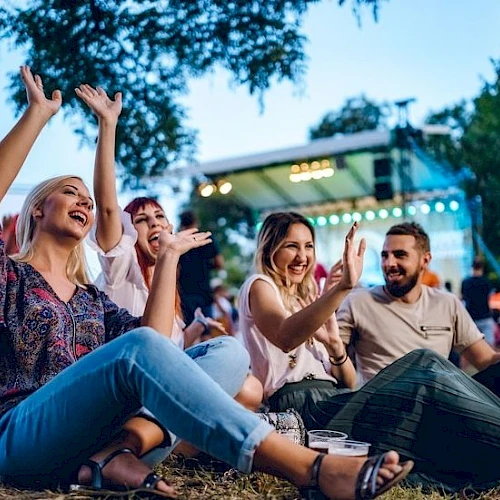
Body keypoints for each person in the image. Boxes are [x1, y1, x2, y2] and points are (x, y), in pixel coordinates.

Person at [0, 66, 411, 500]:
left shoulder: (92, 300)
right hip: (22, 434)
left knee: (226, 352)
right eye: (69, 191)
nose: (84, 199)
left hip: (90, 437)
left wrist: (172, 255)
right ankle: (309, 468)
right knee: (141, 349)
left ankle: (112, 456)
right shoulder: (11, 277)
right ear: (37, 210)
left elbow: (155, 341)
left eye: (87, 194)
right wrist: (37, 115)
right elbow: (141, 346)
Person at [239, 211, 500, 493]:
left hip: (336, 401)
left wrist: (336, 347)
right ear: (269, 248)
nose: (302, 256)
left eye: (308, 246)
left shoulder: (307, 298)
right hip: (305, 411)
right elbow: (285, 336)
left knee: (439, 405)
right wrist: (343, 288)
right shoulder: (259, 285)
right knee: (425, 362)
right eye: (292, 246)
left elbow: (348, 381)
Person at [76, 83, 262, 413]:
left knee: (246, 384)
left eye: (160, 216)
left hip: (159, 384)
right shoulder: (121, 268)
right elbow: (106, 208)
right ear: (128, 231)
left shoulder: (168, 282)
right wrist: (108, 124)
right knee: (239, 389)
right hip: (125, 389)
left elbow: (168, 348)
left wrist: (192, 333)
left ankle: (170, 438)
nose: (155, 224)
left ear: (172, 227)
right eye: (142, 219)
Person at [337, 222, 500, 394]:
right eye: (385, 255)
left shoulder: (447, 303)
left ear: (425, 260)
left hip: (436, 406)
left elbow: (486, 360)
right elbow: (331, 360)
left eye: (400, 255)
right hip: (383, 408)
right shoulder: (357, 302)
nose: (389, 263)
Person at [178, 210, 224, 324]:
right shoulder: (206, 238)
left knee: (187, 330)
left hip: (184, 292)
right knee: (206, 328)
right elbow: (220, 263)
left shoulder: (178, 241)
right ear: (196, 222)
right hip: (204, 291)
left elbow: (175, 269)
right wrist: (206, 265)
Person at [461, 258, 496, 346]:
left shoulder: (466, 282)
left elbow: (462, 298)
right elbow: (490, 299)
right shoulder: (487, 281)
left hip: (471, 318)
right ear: (482, 267)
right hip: (485, 316)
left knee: (472, 347)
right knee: (489, 346)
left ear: (472, 267)